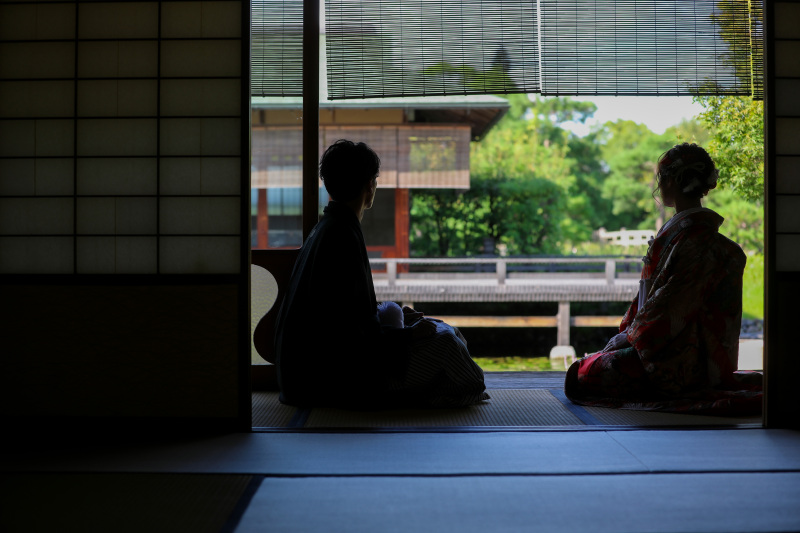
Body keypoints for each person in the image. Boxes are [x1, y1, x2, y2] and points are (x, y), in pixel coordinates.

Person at [274, 139, 488, 409]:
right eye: (374, 178)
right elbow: (351, 337)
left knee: (444, 330)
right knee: (446, 342)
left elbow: (342, 315)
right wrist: (408, 335)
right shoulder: (341, 234)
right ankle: (449, 393)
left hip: (303, 376)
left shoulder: (328, 227)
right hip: (329, 383)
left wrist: (402, 322)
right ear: (369, 185)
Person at [564, 143, 762, 415]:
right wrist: (630, 333)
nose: (660, 184)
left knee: (583, 374)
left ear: (671, 180)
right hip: (688, 352)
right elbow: (657, 298)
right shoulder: (697, 238)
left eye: (661, 177)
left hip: (677, 360)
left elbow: (670, 304)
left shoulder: (696, 242)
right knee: (593, 366)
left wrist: (630, 336)